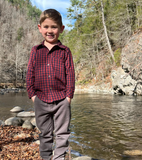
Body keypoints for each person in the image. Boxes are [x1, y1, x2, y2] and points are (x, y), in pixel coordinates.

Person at [26, 9, 75, 160]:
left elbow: (70, 75)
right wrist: (32, 95)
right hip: (40, 99)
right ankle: (46, 157)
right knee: (45, 133)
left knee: (62, 133)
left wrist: (68, 97)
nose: (50, 30)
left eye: (54, 27)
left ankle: (59, 157)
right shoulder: (36, 50)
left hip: (61, 99)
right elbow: (30, 73)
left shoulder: (65, 51)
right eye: (46, 27)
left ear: (61, 29)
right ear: (40, 27)